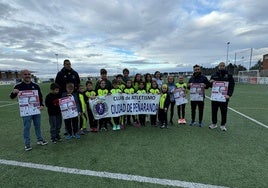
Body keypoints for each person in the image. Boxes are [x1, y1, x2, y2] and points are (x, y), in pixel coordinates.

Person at [9, 69, 48, 151]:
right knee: (27, 127)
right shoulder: (18, 86)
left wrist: (42, 105)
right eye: (25, 74)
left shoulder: (36, 85)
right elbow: (12, 97)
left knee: (37, 125)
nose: (27, 75)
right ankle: (27, 144)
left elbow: (40, 96)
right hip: (26, 111)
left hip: (36, 109)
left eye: (29, 74)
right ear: (22, 76)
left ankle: (40, 139)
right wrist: (14, 93)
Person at [209, 62, 235, 131]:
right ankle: (214, 124)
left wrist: (229, 95)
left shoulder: (229, 75)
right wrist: (210, 82)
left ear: (225, 67)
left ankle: (223, 125)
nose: (222, 67)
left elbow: (232, 85)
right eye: (220, 66)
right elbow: (210, 85)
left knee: (224, 112)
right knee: (214, 111)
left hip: (224, 97)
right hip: (215, 97)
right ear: (218, 67)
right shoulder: (214, 75)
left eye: (223, 66)